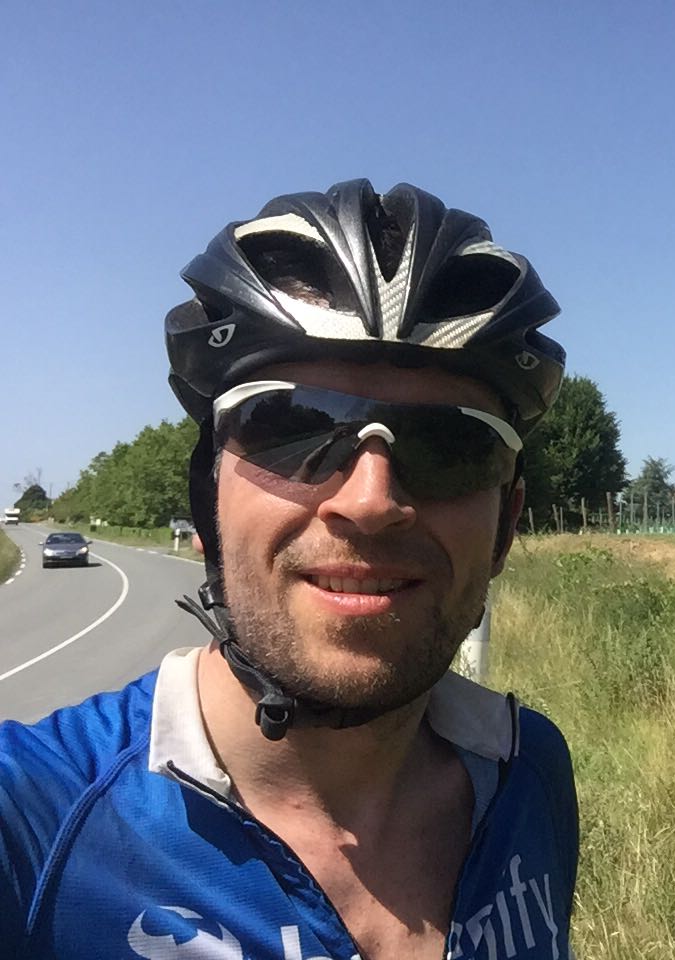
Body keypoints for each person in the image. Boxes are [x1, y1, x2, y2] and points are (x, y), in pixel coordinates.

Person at [0, 180, 578, 959]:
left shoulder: (531, 776)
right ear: (206, 501)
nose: (371, 501)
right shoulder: (37, 819)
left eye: (450, 446)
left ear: (505, 526)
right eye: (294, 424)